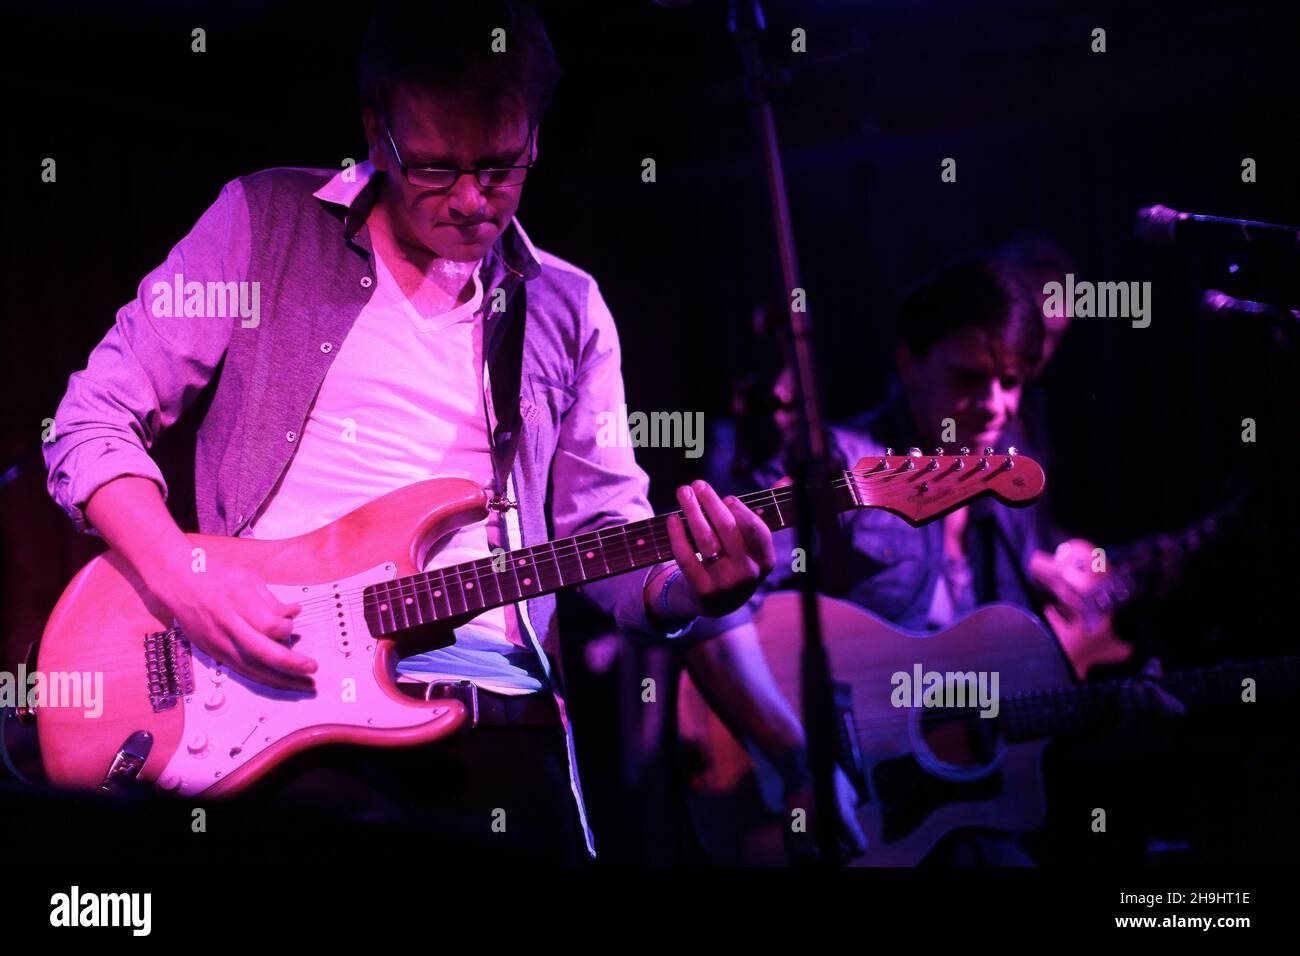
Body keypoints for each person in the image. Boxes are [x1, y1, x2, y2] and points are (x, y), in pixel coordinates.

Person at [41, 0, 774, 864]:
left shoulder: (568, 308)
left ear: (536, 137)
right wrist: (186, 573)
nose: (469, 200)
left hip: (494, 719)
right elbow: (90, 419)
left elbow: (604, 537)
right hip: (268, 706)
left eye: (499, 167)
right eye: (431, 166)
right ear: (374, 129)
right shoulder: (263, 223)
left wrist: (692, 592)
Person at [681, 255, 1180, 865]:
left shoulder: (1011, 491)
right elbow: (708, 602)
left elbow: (996, 687)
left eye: (1013, 382)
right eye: (970, 379)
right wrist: (797, 758)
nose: (996, 405)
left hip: (938, 812)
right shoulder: (847, 470)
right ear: (909, 362)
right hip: (832, 805)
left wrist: (1104, 710)